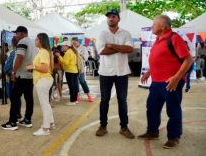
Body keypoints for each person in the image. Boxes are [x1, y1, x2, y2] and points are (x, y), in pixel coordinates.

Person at [138, 15, 193, 149]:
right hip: (156, 82)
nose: (152, 27)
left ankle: (174, 137)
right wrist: (149, 72)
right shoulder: (158, 39)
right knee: (152, 108)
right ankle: (152, 131)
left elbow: (188, 59)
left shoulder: (174, 38)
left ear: (162, 26)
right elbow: (161, 59)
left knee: (173, 110)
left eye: (154, 24)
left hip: (170, 82)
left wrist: (176, 78)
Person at [95, 9, 135, 139]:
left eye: (113, 17)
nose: (110, 19)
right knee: (104, 100)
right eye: (108, 17)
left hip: (122, 72)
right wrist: (120, 48)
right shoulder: (102, 34)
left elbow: (129, 49)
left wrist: (112, 46)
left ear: (118, 19)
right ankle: (103, 126)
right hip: (105, 72)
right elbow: (101, 51)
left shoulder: (126, 33)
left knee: (122, 100)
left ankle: (124, 127)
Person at [2, 26, 37, 130]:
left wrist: (14, 72)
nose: (15, 36)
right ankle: (27, 120)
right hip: (29, 75)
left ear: (21, 33)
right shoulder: (32, 43)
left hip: (21, 75)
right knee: (28, 98)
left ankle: (12, 122)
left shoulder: (22, 42)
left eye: (16, 33)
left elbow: (19, 58)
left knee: (14, 97)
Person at [26, 33, 54, 136]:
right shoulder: (44, 52)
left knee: (44, 104)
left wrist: (32, 67)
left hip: (43, 80)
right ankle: (50, 123)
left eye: (37, 39)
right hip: (44, 80)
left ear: (41, 41)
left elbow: (45, 69)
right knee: (46, 103)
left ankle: (45, 128)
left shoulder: (42, 52)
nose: (35, 41)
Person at [54, 41, 79, 106]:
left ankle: (72, 101)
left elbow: (65, 62)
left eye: (63, 46)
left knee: (72, 87)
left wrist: (59, 56)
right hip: (75, 70)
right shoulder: (73, 51)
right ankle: (75, 100)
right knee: (75, 86)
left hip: (70, 71)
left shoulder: (68, 52)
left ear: (67, 46)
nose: (62, 47)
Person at [4, 37, 22, 119]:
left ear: (13, 43)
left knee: (13, 97)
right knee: (18, 97)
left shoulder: (13, 53)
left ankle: (15, 115)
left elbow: (7, 67)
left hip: (12, 77)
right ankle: (18, 113)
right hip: (20, 76)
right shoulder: (23, 52)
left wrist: (5, 69)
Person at [71, 37, 94, 102]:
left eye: (74, 43)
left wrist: (79, 55)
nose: (74, 44)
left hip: (81, 67)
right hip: (74, 67)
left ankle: (88, 95)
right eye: (72, 43)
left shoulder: (83, 48)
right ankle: (77, 95)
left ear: (78, 41)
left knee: (82, 81)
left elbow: (86, 58)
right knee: (76, 82)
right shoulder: (72, 48)